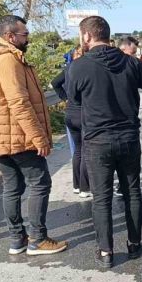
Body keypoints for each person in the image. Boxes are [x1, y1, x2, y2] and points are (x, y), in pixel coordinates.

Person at [67, 16, 142, 268]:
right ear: (107, 35)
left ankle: (105, 253)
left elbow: (73, 99)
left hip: (97, 142)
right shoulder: (130, 63)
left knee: (102, 199)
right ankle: (134, 245)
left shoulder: (78, 67)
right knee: (132, 192)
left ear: (87, 36)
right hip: (128, 139)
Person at [0, 15, 67, 256]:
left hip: (1, 136)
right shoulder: (7, 61)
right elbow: (19, 103)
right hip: (17, 135)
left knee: (11, 187)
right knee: (40, 183)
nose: (29, 38)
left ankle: (17, 239)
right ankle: (38, 239)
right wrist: (39, 138)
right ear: (10, 36)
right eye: (25, 34)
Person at [51, 47, 91, 198]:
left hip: (70, 113)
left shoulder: (68, 69)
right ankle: (85, 188)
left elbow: (55, 83)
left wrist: (65, 97)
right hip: (84, 113)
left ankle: (76, 185)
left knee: (78, 150)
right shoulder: (86, 69)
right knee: (86, 149)